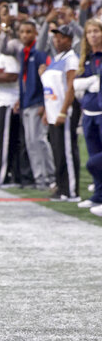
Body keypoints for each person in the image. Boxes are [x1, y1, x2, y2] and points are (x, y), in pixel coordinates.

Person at [0, 19, 55, 190]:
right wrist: (4, 28)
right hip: (26, 102)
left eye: (29, 32)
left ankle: (50, 177)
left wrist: (45, 103)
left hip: (38, 101)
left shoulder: (38, 53)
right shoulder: (23, 52)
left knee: (39, 140)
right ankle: (39, 178)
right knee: (31, 142)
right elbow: (3, 49)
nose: (25, 35)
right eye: (22, 32)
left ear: (36, 34)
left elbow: (46, 78)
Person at [0, 25, 33, 187]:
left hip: (10, 101)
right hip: (2, 100)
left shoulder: (10, 52)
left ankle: (3, 176)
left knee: (4, 141)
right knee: (8, 141)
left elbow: (13, 76)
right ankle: (14, 176)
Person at [40, 24, 80, 201]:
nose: (58, 40)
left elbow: (71, 86)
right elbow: (51, 88)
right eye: (56, 37)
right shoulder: (56, 58)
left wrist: (64, 111)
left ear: (70, 40)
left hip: (64, 111)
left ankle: (71, 190)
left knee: (67, 152)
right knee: (58, 151)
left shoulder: (71, 59)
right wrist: (47, 112)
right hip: (53, 110)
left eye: (62, 37)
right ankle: (61, 186)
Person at [75, 18, 102, 214]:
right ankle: (98, 196)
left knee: (95, 161)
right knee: (94, 157)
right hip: (88, 112)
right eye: (89, 32)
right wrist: (89, 82)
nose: (93, 35)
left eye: (96, 31)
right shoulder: (86, 57)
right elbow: (76, 84)